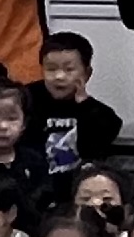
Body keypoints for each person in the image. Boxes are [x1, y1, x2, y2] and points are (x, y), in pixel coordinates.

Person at [31, 32, 126, 180]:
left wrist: (84, 103)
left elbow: (110, 127)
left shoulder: (91, 109)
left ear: (87, 73)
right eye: (51, 69)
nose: (59, 76)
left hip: (78, 184)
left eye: (69, 69)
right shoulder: (28, 100)